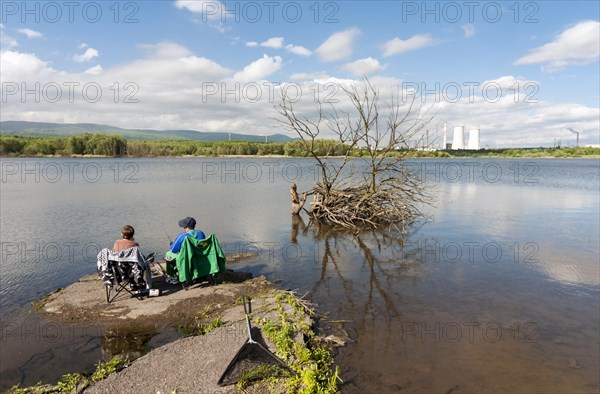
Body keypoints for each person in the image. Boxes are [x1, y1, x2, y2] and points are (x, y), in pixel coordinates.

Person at [164, 217, 206, 283]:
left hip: (187, 259)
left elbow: (173, 250)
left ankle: (172, 276)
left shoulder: (182, 236)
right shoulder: (201, 233)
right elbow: (204, 244)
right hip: (199, 257)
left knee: (168, 254)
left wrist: (172, 244)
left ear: (185, 227)